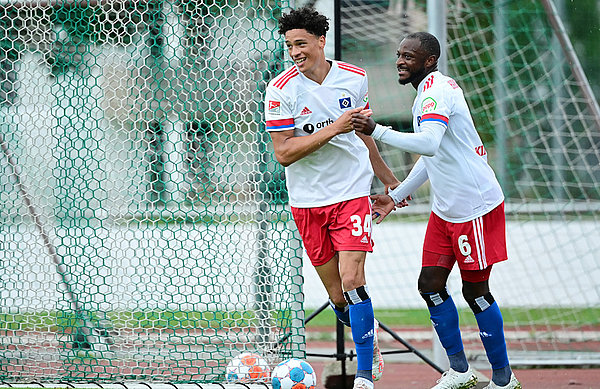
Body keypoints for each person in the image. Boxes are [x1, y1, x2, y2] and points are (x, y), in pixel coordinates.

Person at [351, 32, 522, 389]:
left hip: (474, 207)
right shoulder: (425, 94)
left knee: (476, 294)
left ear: (429, 61)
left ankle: (504, 380)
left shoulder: (436, 93)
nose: (400, 60)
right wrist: (396, 197)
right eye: (398, 54)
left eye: (409, 56)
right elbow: (433, 158)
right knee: (429, 285)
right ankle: (460, 372)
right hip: (446, 211)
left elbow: (428, 145)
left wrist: (376, 130)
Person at [264, 7, 401, 389]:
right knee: (338, 297)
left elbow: (363, 134)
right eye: (290, 45)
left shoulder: (354, 78)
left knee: (353, 280)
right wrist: (335, 128)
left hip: (351, 193)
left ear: (321, 41)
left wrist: (387, 178)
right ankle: (367, 331)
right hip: (307, 201)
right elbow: (284, 153)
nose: (295, 52)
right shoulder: (280, 90)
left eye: (301, 44)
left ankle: (363, 374)